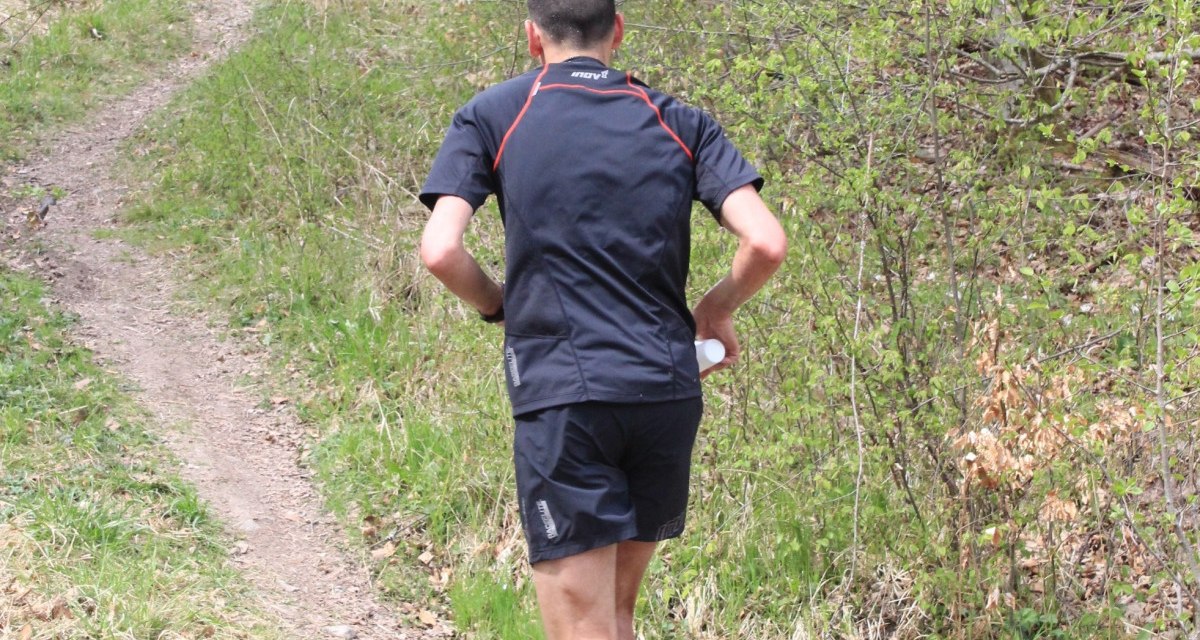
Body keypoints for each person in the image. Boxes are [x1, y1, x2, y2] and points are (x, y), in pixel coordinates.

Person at [418, 1, 786, 638]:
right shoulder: (680, 121)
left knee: (583, 626)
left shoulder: (494, 115)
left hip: (566, 398)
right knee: (615, 616)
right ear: (617, 31)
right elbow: (766, 243)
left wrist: (498, 305)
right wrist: (715, 309)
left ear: (532, 38)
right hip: (666, 390)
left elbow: (441, 250)